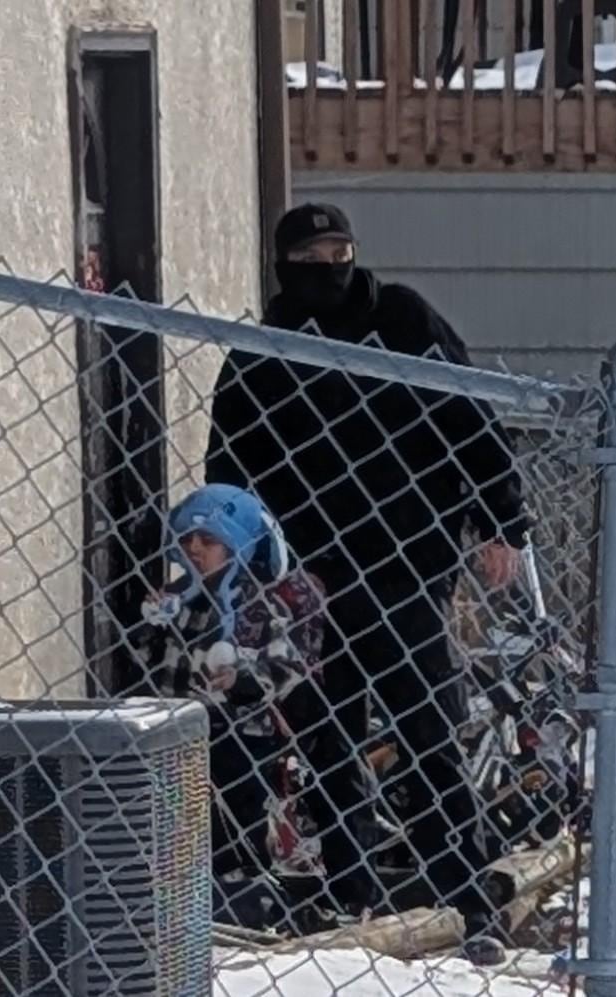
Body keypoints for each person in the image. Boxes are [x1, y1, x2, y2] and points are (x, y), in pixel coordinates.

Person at [205, 203, 529, 963]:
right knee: (328, 736)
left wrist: (500, 519)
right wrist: (240, 559)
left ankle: (462, 891)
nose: (329, 264)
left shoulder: (402, 320)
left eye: (339, 249)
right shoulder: (266, 349)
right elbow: (231, 462)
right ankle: (346, 891)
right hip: (308, 577)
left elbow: (467, 415)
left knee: (428, 735)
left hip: (406, 565)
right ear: (285, 263)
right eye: (311, 253)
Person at [127, 482, 378, 925]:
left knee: (238, 813)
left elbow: (290, 660)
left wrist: (246, 678)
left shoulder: (265, 599)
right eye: (187, 541)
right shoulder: (183, 597)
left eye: (208, 541)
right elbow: (156, 664)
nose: (195, 549)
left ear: (238, 543)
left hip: (243, 729)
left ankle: (242, 892)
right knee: (178, 813)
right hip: (180, 725)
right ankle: (188, 893)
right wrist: (152, 627)